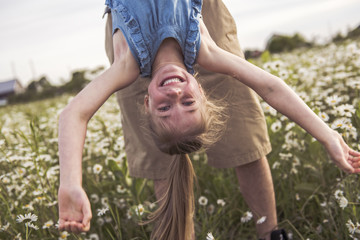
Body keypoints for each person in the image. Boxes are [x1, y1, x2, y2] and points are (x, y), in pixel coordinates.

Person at [58, 0, 360, 240]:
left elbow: (74, 113)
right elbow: (269, 86)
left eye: (164, 109)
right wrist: (328, 135)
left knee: (171, 157)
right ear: (201, 88)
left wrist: (71, 183)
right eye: (188, 102)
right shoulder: (205, 49)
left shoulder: (127, 65)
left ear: (147, 102)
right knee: (221, 147)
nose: (175, 92)